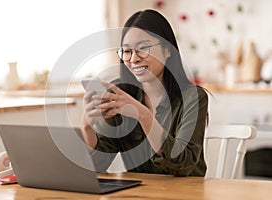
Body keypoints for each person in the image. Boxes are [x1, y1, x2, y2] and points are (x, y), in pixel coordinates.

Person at [81, 9, 208, 176]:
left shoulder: (193, 97)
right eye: (127, 51)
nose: (133, 59)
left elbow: (183, 164)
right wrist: (86, 126)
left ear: (167, 50)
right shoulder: (120, 94)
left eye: (143, 48)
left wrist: (143, 115)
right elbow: (98, 165)